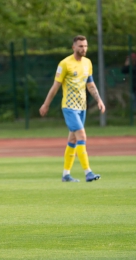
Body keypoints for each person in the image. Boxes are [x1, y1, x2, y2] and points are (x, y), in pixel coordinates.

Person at [39, 35, 105, 182]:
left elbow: (91, 84)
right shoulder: (64, 64)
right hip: (69, 107)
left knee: (73, 139)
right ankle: (88, 172)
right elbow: (55, 86)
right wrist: (46, 104)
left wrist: (99, 100)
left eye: (86, 46)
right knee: (82, 135)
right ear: (73, 47)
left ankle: (65, 175)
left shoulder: (88, 63)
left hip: (82, 107)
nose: (84, 49)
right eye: (81, 46)